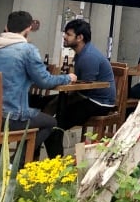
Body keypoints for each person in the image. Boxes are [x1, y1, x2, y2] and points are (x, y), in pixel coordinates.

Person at [0, 11, 75, 185]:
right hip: (10, 117)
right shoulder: (27, 50)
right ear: (28, 29)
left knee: (3, 119)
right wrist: (68, 78)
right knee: (50, 123)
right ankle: (11, 163)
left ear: (6, 27)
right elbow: (45, 81)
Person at [44, 19, 116, 158]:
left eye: (68, 34)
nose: (64, 36)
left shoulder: (89, 56)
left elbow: (85, 87)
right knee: (44, 105)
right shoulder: (81, 53)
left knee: (54, 127)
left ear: (80, 37)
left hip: (99, 102)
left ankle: (57, 167)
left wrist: (59, 100)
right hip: (87, 96)